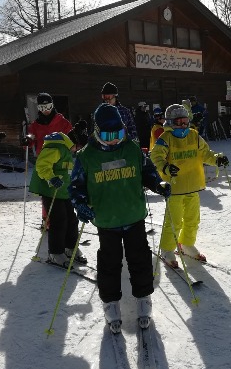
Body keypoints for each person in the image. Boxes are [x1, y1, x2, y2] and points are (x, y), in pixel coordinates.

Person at [68, 103, 170, 333]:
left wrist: (158, 184)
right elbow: (75, 187)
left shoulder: (133, 150)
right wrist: (80, 205)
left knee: (140, 259)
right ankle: (111, 303)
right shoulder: (86, 157)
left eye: (119, 133)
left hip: (133, 215)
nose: (114, 140)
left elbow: (148, 173)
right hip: (107, 220)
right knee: (109, 263)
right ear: (97, 131)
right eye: (108, 135)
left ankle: (143, 298)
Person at [150, 104, 229, 267]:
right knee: (174, 221)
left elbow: (205, 154)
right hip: (175, 187)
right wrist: (165, 167)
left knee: (193, 219)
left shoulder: (194, 135)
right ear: (170, 122)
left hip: (193, 184)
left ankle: (186, 243)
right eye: (178, 122)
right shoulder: (166, 138)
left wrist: (217, 159)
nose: (183, 125)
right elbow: (156, 156)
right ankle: (167, 248)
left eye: (185, 121)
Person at [29, 132, 86, 266]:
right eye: (78, 146)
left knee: (72, 220)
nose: (78, 149)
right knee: (59, 221)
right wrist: (52, 177)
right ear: (72, 143)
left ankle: (70, 247)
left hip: (65, 192)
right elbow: (42, 165)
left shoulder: (69, 153)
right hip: (52, 192)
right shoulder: (56, 148)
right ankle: (55, 252)